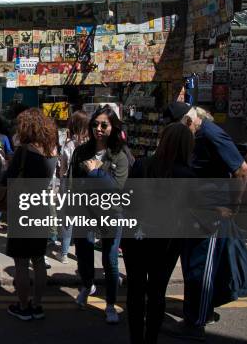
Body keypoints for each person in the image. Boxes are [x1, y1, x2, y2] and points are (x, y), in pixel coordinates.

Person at [163, 103, 247, 341]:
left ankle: (197, 322)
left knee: (201, 268)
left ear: (189, 122)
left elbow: (242, 169)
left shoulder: (211, 133)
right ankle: (201, 311)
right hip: (197, 211)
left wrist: (234, 205)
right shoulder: (198, 134)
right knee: (195, 265)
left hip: (212, 214)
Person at [123, 123, 196, 344]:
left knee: (135, 290)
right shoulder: (188, 176)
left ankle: (136, 338)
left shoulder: (142, 165)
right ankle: (151, 339)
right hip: (167, 241)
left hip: (136, 236)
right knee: (157, 291)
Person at [68, 105, 129, 324]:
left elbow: (117, 190)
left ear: (113, 126)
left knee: (110, 260)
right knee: (84, 254)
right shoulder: (81, 151)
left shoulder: (120, 155)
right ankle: (86, 285)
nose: (99, 129)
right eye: (95, 124)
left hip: (111, 214)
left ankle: (111, 303)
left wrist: (95, 171)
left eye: (104, 125)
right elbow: (73, 183)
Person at [5, 108, 58, 321]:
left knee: (21, 262)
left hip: (23, 209)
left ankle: (23, 306)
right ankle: (37, 305)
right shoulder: (51, 151)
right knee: (37, 260)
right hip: (42, 208)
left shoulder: (24, 151)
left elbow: (7, 177)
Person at [56, 110, 90, 264]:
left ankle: (63, 253)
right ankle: (79, 251)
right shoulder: (91, 146)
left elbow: (62, 169)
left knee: (67, 219)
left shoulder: (68, 145)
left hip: (68, 184)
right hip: (85, 184)